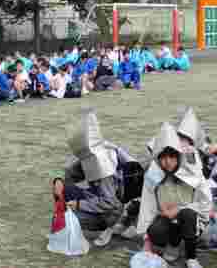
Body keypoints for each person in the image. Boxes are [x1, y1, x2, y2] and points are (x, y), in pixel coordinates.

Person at [137, 123, 211, 268]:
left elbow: (205, 203)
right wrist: (147, 239)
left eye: (172, 157)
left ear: (178, 156)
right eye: (163, 158)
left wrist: (179, 209)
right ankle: (173, 245)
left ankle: (191, 257)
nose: (167, 162)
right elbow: (147, 206)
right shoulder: (153, 176)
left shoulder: (192, 172)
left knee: (188, 215)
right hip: (166, 218)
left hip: (192, 218)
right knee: (155, 231)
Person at [63, 111, 126, 246]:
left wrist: (79, 204)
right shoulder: (87, 159)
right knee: (66, 189)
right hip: (96, 197)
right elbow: (71, 174)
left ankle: (110, 227)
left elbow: (110, 202)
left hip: (112, 209)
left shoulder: (104, 165)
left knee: (76, 217)